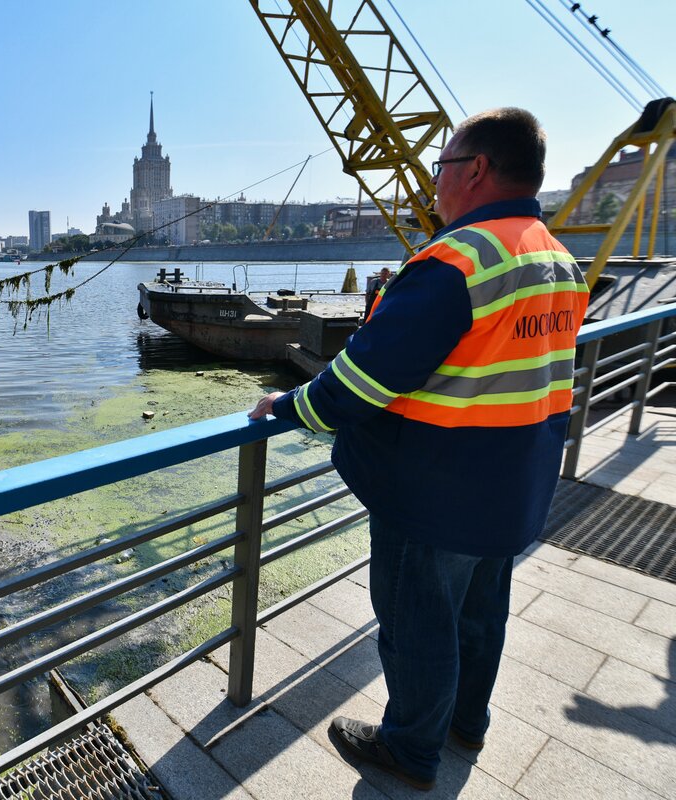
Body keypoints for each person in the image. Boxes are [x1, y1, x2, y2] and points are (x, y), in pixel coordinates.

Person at [249, 108, 589, 790]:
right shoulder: (557, 257)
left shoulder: (457, 261)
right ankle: (468, 721)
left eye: (441, 167)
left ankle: (410, 748)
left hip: (439, 486)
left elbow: (363, 379)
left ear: (476, 171)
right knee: (479, 613)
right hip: (514, 481)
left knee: (417, 624)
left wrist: (288, 406)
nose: (435, 183)